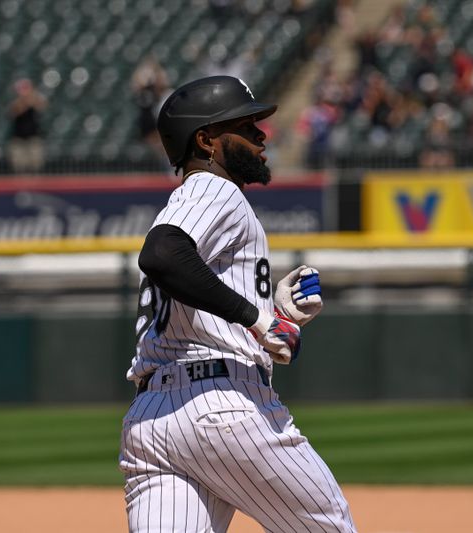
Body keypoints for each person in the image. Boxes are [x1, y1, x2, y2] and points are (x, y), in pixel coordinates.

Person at [119, 75, 356, 532]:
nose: (261, 135)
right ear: (206, 140)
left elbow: (185, 291)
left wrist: (273, 311)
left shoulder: (190, 202)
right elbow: (162, 254)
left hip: (151, 424)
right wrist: (258, 319)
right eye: (245, 127)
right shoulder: (214, 188)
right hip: (223, 407)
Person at [7, 78, 47, 173]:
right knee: (19, 166)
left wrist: (31, 97)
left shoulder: (35, 99)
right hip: (19, 138)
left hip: (33, 137)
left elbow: (42, 105)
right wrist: (25, 99)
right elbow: (15, 110)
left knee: (36, 165)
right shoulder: (16, 102)